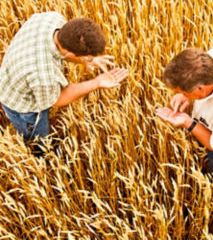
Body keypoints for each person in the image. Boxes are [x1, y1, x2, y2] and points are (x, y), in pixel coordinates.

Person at [0, 11, 128, 150]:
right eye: (87, 57)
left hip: (10, 73)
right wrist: (97, 82)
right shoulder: (43, 75)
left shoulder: (52, 19)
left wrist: (89, 59)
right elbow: (58, 99)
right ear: (72, 54)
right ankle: (40, 157)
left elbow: (64, 50)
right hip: (20, 105)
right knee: (38, 141)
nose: (89, 60)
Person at [156, 47, 213, 176]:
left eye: (183, 92)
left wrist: (188, 122)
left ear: (200, 88)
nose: (180, 95)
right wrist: (185, 95)